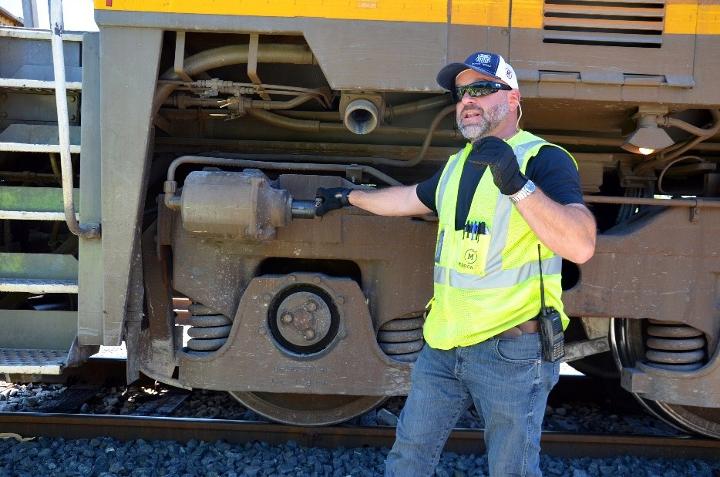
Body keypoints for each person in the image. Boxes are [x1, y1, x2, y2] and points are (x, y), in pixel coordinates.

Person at [315, 51, 596, 477]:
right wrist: (348, 197)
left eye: (481, 89)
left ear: (513, 98)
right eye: (461, 92)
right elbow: (409, 198)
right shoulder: (457, 165)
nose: (467, 99)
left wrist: (517, 185)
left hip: (512, 351)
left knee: (512, 471)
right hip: (444, 344)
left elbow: (580, 244)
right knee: (408, 460)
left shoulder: (543, 158)